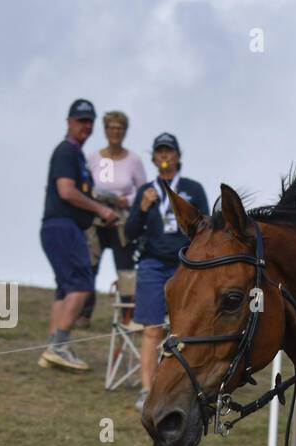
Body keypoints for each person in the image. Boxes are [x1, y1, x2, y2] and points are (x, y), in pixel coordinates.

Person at [124, 133, 210, 411]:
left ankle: (188, 387)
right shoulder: (146, 191)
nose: (164, 156)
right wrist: (142, 208)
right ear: (153, 158)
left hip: (184, 264)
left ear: (177, 156)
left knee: (187, 329)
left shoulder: (193, 189)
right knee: (151, 329)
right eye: (159, 152)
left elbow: (205, 228)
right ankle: (147, 389)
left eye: (168, 151)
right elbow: (129, 232)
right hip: (151, 265)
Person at [39, 98, 118, 371]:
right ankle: (58, 346)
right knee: (82, 285)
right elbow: (66, 191)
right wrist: (102, 210)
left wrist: (99, 213)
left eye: (89, 121)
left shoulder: (77, 156)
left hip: (61, 226)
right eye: (80, 120)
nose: (86, 125)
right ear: (68, 122)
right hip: (63, 227)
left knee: (66, 287)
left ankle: (51, 348)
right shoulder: (66, 152)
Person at [82, 110, 146, 326]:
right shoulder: (93, 158)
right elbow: (84, 185)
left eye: (120, 128)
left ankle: (128, 315)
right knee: (90, 265)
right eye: (111, 127)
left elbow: (143, 190)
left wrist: (126, 201)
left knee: (126, 269)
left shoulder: (134, 160)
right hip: (97, 220)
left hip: (122, 222)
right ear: (105, 130)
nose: (115, 132)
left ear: (125, 131)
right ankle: (83, 313)